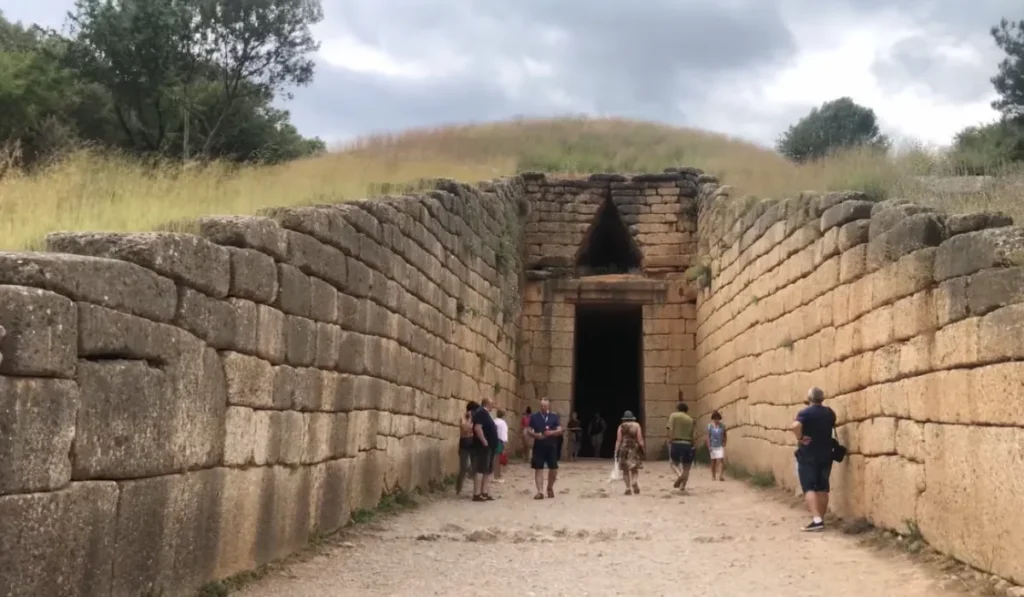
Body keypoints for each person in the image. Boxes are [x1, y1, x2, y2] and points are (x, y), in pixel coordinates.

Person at [790, 387, 837, 532]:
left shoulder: (805, 413)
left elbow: (795, 426)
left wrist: (799, 437)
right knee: (823, 487)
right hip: (826, 454)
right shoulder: (829, 413)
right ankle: (821, 519)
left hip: (809, 454)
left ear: (809, 398)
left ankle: (816, 520)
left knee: (808, 486)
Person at [528, 399, 563, 499]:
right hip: (539, 446)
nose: (543, 407)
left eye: (545, 406)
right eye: (541, 405)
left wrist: (551, 433)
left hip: (551, 446)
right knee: (538, 468)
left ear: (548, 406)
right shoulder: (534, 417)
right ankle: (540, 492)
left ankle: (550, 487)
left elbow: (560, 429)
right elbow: (529, 429)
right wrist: (535, 435)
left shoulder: (554, 417)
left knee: (554, 469)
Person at [471, 397, 499, 502]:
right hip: (483, 447)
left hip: (489, 447)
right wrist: (484, 442)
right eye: (492, 403)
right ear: (487, 404)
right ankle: (477, 493)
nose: (493, 405)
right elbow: (478, 428)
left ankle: (484, 492)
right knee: (481, 469)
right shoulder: (481, 413)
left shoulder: (486, 414)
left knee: (487, 470)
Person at [665, 400, 695, 492]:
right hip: (688, 444)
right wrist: (693, 445)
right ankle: (682, 486)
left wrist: (670, 440)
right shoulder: (690, 419)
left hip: (676, 443)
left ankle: (680, 476)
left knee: (673, 463)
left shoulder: (673, 416)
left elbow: (670, 429)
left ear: (677, 409)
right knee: (687, 466)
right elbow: (693, 434)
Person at [614, 410, 646, 495]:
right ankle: (634, 481)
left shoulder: (621, 426)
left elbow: (618, 440)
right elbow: (639, 439)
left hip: (624, 448)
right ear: (632, 418)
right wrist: (643, 448)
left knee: (625, 470)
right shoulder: (637, 425)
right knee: (634, 468)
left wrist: (616, 450)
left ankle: (628, 488)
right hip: (634, 448)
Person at [455, 401, 479, 495]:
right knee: (463, 468)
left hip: (473, 445)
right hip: (464, 445)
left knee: (475, 468)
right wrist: (470, 419)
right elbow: (465, 429)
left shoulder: (476, 419)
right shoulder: (463, 418)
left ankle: (476, 490)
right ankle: (458, 487)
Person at [794, 398, 810, 497]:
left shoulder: (803, 415)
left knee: (807, 484)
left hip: (805, 452)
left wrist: (800, 438)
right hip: (822, 452)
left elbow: (795, 427)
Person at [707, 410, 728, 481]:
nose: (716, 420)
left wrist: (725, 442)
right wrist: (709, 445)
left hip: (720, 445)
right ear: (713, 418)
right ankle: (713, 476)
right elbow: (708, 436)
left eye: (718, 418)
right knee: (713, 461)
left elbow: (725, 435)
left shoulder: (722, 426)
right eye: (715, 418)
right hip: (713, 445)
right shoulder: (710, 426)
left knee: (721, 460)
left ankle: (721, 476)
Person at [493, 409, 509, 482]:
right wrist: (505, 446)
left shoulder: (494, 421)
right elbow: (503, 435)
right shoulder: (503, 423)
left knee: (494, 459)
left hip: (493, 441)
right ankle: (497, 476)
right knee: (498, 459)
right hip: (499, 441)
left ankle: (495, 475)